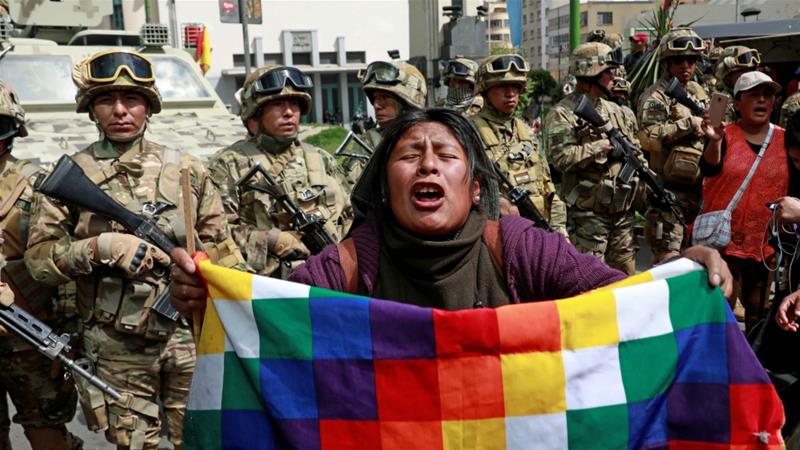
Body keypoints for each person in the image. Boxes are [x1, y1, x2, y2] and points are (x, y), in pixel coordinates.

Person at [168, 109, 732, 315]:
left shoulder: (520, 246)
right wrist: (208, 299)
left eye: (445, 156)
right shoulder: (344, 266)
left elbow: (620, 297)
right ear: (384, 185)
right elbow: (272, 322)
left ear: (475, 185)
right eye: (410, 156)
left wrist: (680, 273)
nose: (428, 168)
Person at [24, 50, 243, 450]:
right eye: (107, 100)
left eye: (132, 100)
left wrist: (202, 267)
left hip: (188, 338)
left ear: (149, 106)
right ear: (91, 109)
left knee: (203, 441)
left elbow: (224, 250)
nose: (120, 111)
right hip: (115, 345)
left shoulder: (189, 170)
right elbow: (38, 262)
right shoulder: (71, 176)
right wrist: (100, 247)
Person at [206, 65, 352, 279]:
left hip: (327, 279)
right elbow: (214, 235)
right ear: (255, 112)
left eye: (294, 104)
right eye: (277, 105)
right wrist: (271, 240)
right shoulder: (229, 164)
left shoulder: (321, 159)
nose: (289, 112)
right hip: (268, 286)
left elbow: (350, 218)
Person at [0, 81, 81, 450]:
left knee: (44, 429)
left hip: (27, 331)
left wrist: (69, 327)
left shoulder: (36, 184)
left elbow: (60, 257)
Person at [545, 42, 644, 275]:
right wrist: (602, 147)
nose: (613, 76)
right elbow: (559, 157)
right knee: (588, 280)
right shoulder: (562, 114)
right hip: (587, 217)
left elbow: (637, 152)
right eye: (608, 71)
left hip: (622, 214)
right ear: (592, 74)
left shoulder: (618, 112)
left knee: (626, 282)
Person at [700, 71, 787, 332]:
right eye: (753, 95)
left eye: (768, 95)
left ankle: (750, 366)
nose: (762, 100)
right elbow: (708, 169)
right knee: (718, 310)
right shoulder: (722, 134)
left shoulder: (786, 139)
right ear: (737, 104)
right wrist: (714, 141)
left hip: (764, 245)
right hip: (723, 244)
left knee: (757, 314)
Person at [471, 54, 568, 236]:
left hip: (539, 231)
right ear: (485, 90)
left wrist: (560, 231)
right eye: (502, 87)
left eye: (516, 87)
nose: (511, 93)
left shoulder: (525, 130)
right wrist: (497, 202)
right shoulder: (469, 131)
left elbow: (547, 185)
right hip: (497, 234)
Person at [637, 28, 709, 263]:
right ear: (667, 63)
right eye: (679, 60)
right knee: (668, 263)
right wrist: (686, 125)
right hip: (668, 194)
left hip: (698, 191)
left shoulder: (699, 92)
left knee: (695, 262)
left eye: (692, 60)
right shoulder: (656, 97)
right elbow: (647, 138)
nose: (686, 65)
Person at [342, 60, 427, 188]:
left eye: (385, 97)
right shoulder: (369, 142)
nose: (376, 105)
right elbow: (350, 189)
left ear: (407, 102)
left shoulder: (435, 140)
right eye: (375, 98)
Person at [714, 45, 760, 123]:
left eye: (752, 70)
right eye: (744, 71)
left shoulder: (758, 98)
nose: (750, 75)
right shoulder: (721, 103)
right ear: (728, 76)